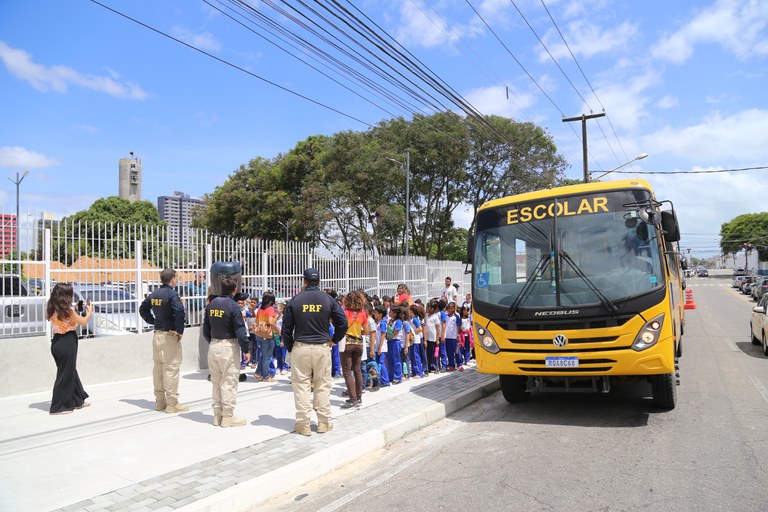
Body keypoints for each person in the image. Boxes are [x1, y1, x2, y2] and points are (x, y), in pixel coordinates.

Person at [282, 268, 347, 436]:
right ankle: (323, 422)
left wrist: (291, 348)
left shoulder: (295, 300)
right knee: (322, 385)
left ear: (304, 281)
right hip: (322, 347)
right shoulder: (328, 300)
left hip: (301, 347)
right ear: (319, 281)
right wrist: (334, 339)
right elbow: (343, 323)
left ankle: (303, 424)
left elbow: (286, 329)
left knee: (301, 386)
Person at [203, 276, 251, 427]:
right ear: (235, 290)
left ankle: (217, 416)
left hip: (213, 345)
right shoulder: (233, 306)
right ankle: (228, 417)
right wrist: (246, 349)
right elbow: (240, 330)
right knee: (229, 382)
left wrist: (213, 342)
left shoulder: (211, 305)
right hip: (228, 347)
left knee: (216, 382)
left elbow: (206, 329)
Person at [139, 268, 188, 413]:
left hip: (157, 335)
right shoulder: (172, 294)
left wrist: (153, 321)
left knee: (158, 369)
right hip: (170, 336)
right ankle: (172, 404)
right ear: (173, 279)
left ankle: (160, 402)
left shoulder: (155, 294)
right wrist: (179, 330)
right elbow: (179, 312)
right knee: (171, 369)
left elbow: (143, 309)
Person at [46, 283, 93, 415]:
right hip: (67, 341)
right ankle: (58, 406)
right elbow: (83, 321)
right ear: (65, 296)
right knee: (65, 374)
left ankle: (78, 400)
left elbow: (68, 319)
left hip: (57, 342)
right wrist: (89, 311)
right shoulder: (67, 311)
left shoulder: (51, 307)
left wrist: (76, 310)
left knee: (69, 370)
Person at [340, 292, 370, 409]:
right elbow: (366, 331)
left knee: (347, 371)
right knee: (357, 370)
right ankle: (359, 397)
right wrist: (357, 333)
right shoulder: (362, 314)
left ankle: (353, 399)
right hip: (359, 343)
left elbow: (340, 327)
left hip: (347, 343)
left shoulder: (344, 313)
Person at [253, 292, 278, 383]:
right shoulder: (270, 309)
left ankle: (258, 372)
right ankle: (266, 376)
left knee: (263, 355)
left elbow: (257, 321)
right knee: (267, 356)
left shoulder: (260, 309)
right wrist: (277, 331)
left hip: (259, 334)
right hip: (267, 335)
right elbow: (271, 322)